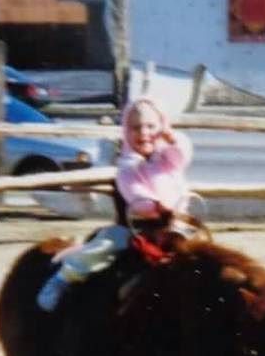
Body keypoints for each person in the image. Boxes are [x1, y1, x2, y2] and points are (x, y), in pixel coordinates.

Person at [36, 96, 193, 312]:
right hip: (134, 229)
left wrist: (172, 138)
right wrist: (155, 206)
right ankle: (63, 279)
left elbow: (182, 154)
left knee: (203, 254)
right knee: (101, 250)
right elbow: (135, 195)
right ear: (126, 132)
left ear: (162, 127)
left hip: (173, 227)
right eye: (136, 127)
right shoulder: (128, 167)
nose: (144, 133)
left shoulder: (167, 159)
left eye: (151, 126)